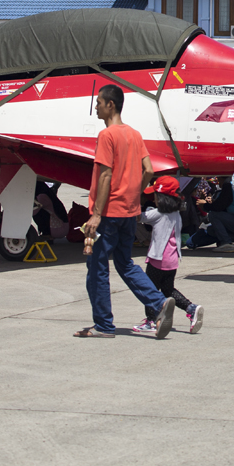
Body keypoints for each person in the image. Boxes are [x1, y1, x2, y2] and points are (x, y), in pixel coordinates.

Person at [76, 84, 175, 339]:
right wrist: (135, 195)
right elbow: (150, 170)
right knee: (125, 263)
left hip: (108, 213)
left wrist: (96, 214)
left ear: (111, 105)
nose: (96, 107)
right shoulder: (134, 134)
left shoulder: (107, 136)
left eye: (99, 102)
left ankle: (104, 325)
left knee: (97, 268)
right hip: (129, 212)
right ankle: (159, 302)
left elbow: (105, 174)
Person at [133, 175, 204, 334]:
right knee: (168, 289)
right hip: (172, 260)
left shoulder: (158, 214)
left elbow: (139, 217)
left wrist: (134, 200)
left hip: (158, 259)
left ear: (162, 198)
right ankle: (191, 308)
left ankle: (151, 320)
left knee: (149, 289)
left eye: (156, 196)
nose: (154, 199)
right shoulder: (176, 214)